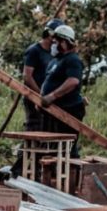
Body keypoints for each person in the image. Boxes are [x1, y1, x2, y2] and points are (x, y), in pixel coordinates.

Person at [39, 24, 85, 158]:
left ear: (64, 42)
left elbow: (73, 81)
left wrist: (52, 96)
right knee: (51, 146)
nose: (53, 44)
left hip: (68, 110)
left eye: (56, 41)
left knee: (66, 147)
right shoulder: (56, 61)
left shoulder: (73, 60)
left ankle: (71, 169)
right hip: (52, 110)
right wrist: (41, 97)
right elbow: (48, 80)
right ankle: (52, 169)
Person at [22, 19, 62, 132]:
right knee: (35, 127)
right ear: (50, 35)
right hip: (34, 96)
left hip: (48, 98)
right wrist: (40, 94)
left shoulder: (54, 53)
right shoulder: (34, 51)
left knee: (48, 129)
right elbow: (27, 76)